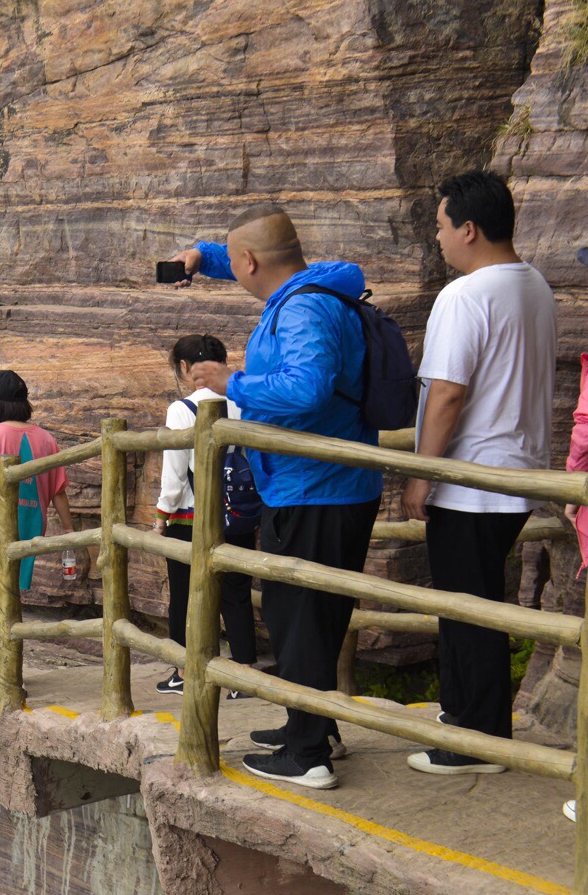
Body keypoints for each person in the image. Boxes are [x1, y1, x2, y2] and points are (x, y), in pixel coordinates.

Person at [168, 205, 382, 790]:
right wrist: (205, 257)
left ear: (252, 262)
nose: (231, 270)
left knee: (297, 618)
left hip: (314, 487)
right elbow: (250, 254)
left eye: (232, 263)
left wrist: (227, 382)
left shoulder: (304, 307)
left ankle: (307, 754)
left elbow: (307, 387)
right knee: (310, 614)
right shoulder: (312, 288)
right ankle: (310, 727)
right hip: (322, 483)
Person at [399, 171, 555, 776]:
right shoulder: (534, 285)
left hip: (469, 482)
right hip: (517, 477)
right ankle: (467, 716)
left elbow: (446, 396)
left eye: (441, 227)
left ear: (469, 228)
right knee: (479, 603)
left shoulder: (465, 296)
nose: (437, 239)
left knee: (468, 611)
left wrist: (421, 476)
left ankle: (478, 740)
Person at [0, 371, 83, 694]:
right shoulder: (46, 440)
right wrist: (68, 530)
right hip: (28, 528)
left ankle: (11, 674)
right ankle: (8, 666)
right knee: (9, 597)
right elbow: (58, 491)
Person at [153, 335, 257, 695]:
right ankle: (244, 673)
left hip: (191, 516)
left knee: (185, 592)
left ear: (184, 367)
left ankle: (184, 671)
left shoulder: (182, 409)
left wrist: (161, 515)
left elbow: (175, 472)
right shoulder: (241, 402)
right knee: (236, 592)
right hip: (238, 511)